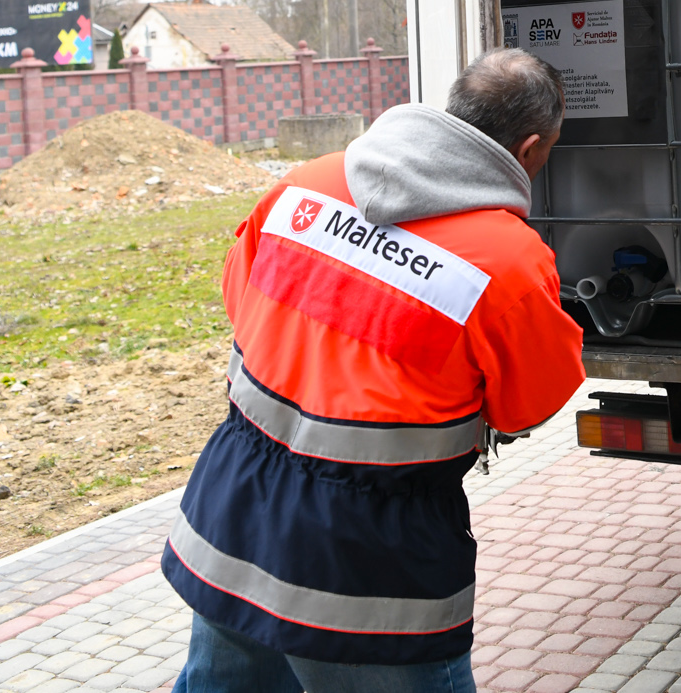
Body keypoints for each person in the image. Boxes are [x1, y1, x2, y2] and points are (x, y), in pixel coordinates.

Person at [163, 48, 586, 693]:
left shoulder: (303, 185)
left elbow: (239, 298)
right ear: (530, 150)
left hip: (234, 514)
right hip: (366, 565)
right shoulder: (509, 262)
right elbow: (527, 405)